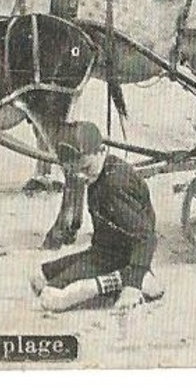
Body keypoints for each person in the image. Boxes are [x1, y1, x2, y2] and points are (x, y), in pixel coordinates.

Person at [29, 122, 164, 312]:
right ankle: (126, 279)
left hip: (125, 257)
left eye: (85, 167)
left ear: (101, 151)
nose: (80, 176)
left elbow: (146, 237)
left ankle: (131, 279)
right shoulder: (99, 172)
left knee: (51, 298)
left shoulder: (115, 184)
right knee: (38, 277)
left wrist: (132, 286)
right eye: (73, 171)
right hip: (103, 253)